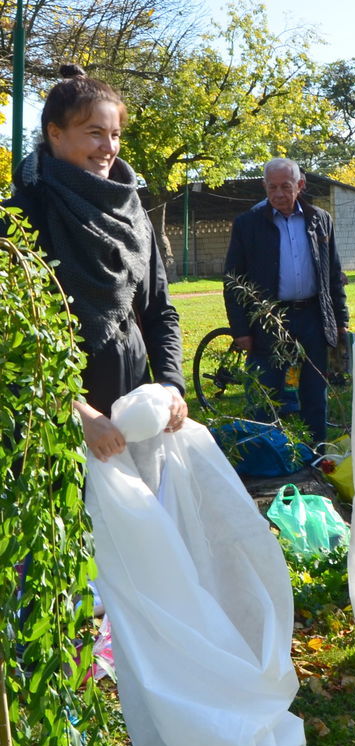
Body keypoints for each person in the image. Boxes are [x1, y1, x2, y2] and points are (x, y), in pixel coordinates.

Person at [6, 64, 186, 460]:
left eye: (115, 134)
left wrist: (171, 386)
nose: (109, 146)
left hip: (136, 414)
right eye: (94, 133)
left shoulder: (133, 215)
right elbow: (9, 346)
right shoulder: (19, 219)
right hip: (55, 435)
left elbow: (160, 311)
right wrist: (76, 412)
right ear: (55, 133)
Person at [223, 159, 348, 445]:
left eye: (285, 186)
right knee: (265, 394)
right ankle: (263, 454)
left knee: (315, 393)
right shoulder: (247, 224)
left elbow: (332, 274)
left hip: (313, 317)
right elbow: (232, 280)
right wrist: (240, 329)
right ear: (264, 186)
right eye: (272, 187)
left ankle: (315, 453)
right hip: (268, 320)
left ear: (300, 185)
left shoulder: (320, 219)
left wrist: (340, 321)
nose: (278, 193)